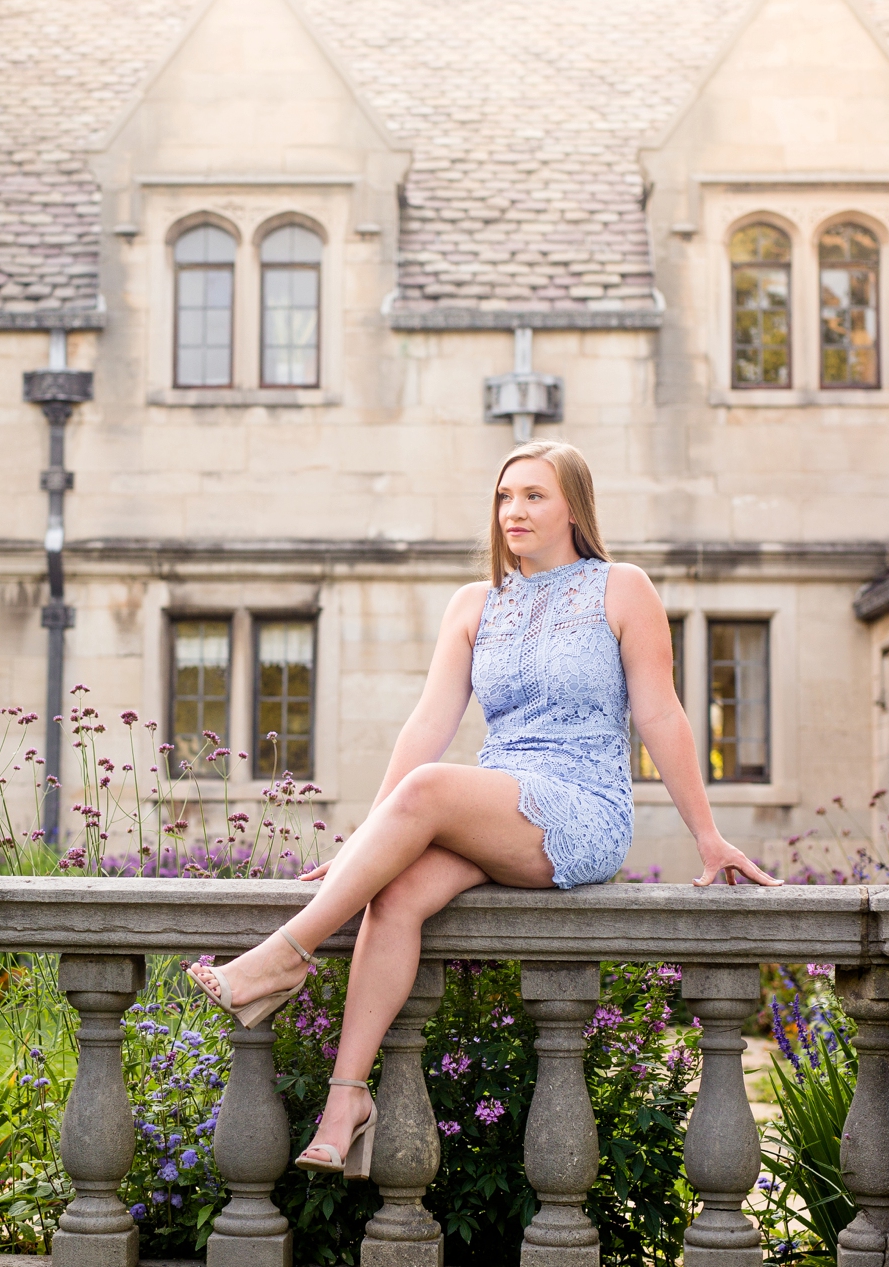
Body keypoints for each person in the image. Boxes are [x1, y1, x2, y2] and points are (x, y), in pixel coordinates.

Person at [188, 440, 778, 1177]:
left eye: (533, 494)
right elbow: (426, 724)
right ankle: (346, 1103)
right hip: (495, 802)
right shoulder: (474, 603)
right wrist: (366, 846)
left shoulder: (620, 588)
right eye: (504, 496)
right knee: (395, 892)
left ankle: (286, 956)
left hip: (582, 806)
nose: (514, 511)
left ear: (572, 506)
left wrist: (709, 835)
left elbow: (661, 715)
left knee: (431, 787)